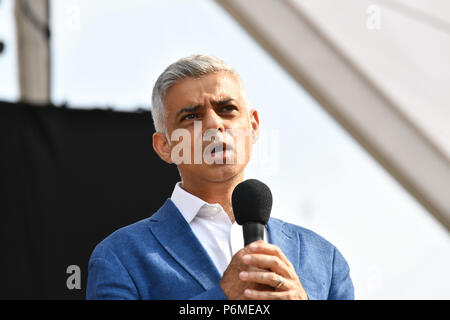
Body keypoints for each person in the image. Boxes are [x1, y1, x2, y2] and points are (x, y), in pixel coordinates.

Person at [86, 55, 354, 300]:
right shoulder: (120, 257)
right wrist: (222, 297)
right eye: (191, 116)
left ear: (253, 126)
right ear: (165, 146)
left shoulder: (325, 260)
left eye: (227, 109)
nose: (214, 124)